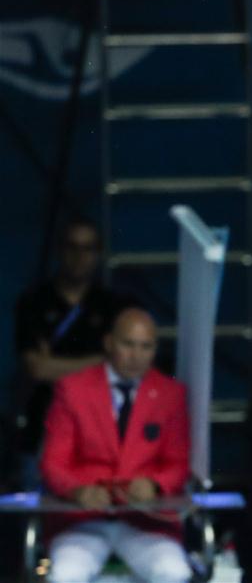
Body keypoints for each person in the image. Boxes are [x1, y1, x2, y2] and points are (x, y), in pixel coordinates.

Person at [40, 307, 192, 583]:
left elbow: (178, 463)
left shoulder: (172, 394)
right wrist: (78, 491)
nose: (136, 356)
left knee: (174, 572)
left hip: (147, 522)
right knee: (64, 576)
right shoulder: (72, 389)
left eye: (146, 347)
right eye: (128, 344)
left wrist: (155, 484)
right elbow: (53, 463)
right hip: (82, 521)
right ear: (109, 342)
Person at [14, 218, 126, 486]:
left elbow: (123, 365)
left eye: (88, 248)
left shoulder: (111, 305)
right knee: (41, 510)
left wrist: (55, 365)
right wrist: (100, 363)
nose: (80, 256)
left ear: (98, 254)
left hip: (99, 428)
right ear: (60, 251)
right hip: (43, 423)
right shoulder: (34, 302)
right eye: (73, 247)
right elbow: (37, 369)